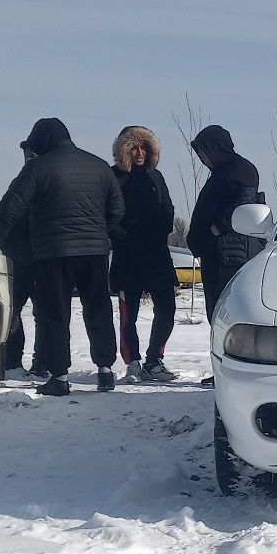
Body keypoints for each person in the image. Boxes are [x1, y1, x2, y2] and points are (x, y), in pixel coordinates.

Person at [0, 117, 124, 397]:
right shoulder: (99, 166)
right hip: (95, 252)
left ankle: (59, 377)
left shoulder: (38, 168)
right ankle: (106, 371)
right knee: (98, 309)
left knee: (54, 314)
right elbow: (117, 209)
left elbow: (10, 208)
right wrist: (96, 232)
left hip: (54, 253)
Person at [186, 126, 263, 381]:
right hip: (215, 254)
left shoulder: (239, 169)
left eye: (203, 151)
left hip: (230, 255)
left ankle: (231, 370)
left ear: (215, 148)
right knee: (215, 314)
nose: (201, 158)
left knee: (226, 316)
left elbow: (244, 202)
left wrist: (217, 227)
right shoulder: (221, 172)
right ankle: (221, 370)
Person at [109, 125, 179, 383]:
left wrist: (162, 228)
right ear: (125, 150)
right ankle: (133, 363)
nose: (140, 152)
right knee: (129, 314)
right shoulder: (114, 177)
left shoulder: (155, 176)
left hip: (157, 254)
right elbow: (107, 216)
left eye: (144, 147)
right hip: (128, 257)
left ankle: (154, 359)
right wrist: (122, 237)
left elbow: (168, 208)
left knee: (167, 308)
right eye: (134, 147)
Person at [0, 140, 36, 374]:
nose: (28, 156)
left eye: (32, 151)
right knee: (13, 310)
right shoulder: (23, 178)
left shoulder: (39, 178)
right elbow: (8, 214)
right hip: (19, 257)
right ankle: (13, 360)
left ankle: (37, 361)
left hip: (37, 256)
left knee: (44, 313)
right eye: (26, 152)